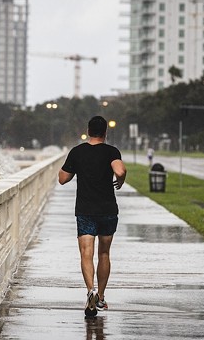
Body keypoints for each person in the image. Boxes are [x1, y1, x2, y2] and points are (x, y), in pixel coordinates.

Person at [58, 116, 127, 317]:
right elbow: (120, 170)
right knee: (104, 254)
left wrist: (75, 170)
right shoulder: (111, 151)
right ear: (105, 132)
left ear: (88, 131)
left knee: (86, 253)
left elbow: (62, 179)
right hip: (107, 209)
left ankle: (90, 291)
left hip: (85, 210)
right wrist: (120, 180)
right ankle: (102, 297)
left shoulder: (77, 152)